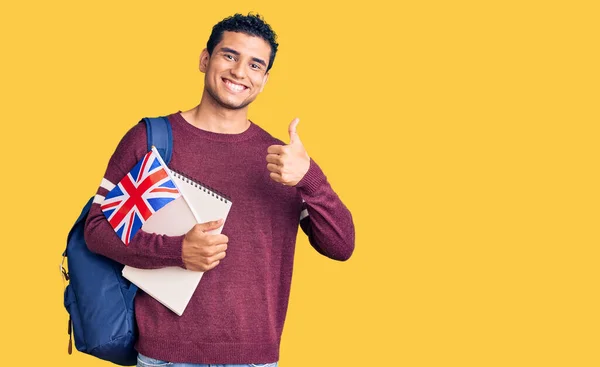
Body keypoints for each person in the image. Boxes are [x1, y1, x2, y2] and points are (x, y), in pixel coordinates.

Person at [84, 13, 355, 367]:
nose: (240, 72)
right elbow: (97, 231)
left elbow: (341, 246)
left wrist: (310, 178)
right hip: (165, 357)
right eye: (230, 55)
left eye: (255, 64)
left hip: (255, 359)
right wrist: (177, 251)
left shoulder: (281, 160)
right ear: (204, 59)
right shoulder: (153, 141)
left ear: (265, 79)